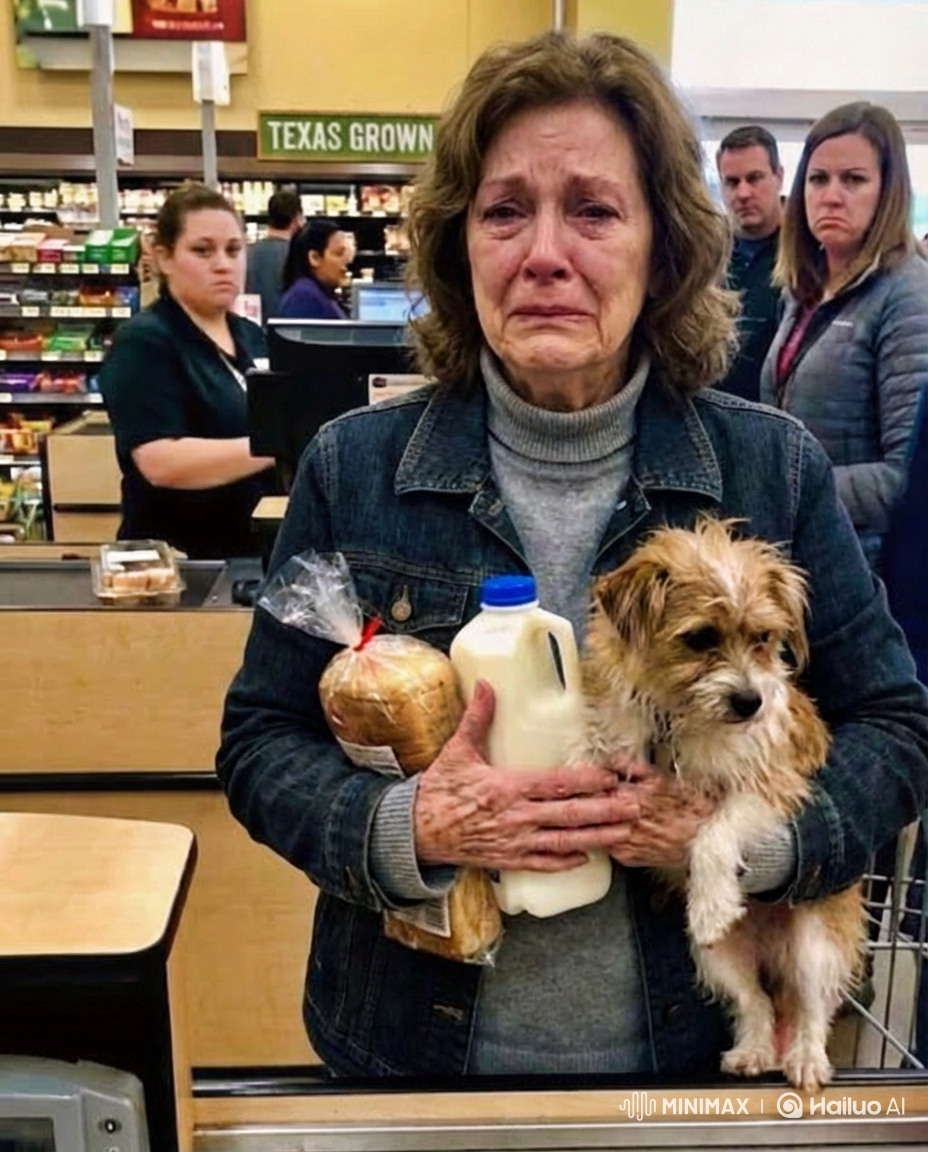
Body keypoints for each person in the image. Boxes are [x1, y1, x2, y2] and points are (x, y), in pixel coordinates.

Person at [216, 33, 927, 1078]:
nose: (544, 251)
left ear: (663, 249)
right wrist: (409, 825)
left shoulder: (768, 468)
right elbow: (258, 741)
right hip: (412, 1061)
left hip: (689, 1064)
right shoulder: (354, 467)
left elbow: (896, 726)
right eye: (505, 211)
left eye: (593, 210)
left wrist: (742, 844)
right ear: (462, 245)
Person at [760, 102, 928, 570]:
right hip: (799, 553)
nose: (832, 196)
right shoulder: (805, 291)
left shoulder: (909, 296)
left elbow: (906, 479)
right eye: (818, 179)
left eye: (853, 180)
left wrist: (786, 488)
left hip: (865, 571)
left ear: (887, 192)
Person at [100, 183, 275, 559]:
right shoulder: (144, 342)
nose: (223, 264)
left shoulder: (251, 336)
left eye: (233, 250)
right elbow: (161, 462)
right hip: (179, 566)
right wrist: (280, 444)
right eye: (202, 250)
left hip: (250, 556)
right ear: (164, 257)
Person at [714, 125, 784, 400]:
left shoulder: (812, 257)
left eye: (754, 178)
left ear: (779, 177)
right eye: (732, 182)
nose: (742, 193)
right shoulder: (704, 261)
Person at [245, 187, 304, 324]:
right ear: (297, 218)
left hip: (250, 333)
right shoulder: (299, 257)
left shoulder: (246, 253)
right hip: (287, 334)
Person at [278, 219, 352, 319]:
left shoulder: (315, 293)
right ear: (314, 258)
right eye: (338, 253)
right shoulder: (304, 299)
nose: (347, 261)